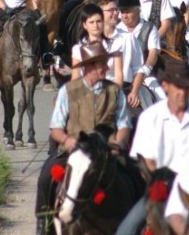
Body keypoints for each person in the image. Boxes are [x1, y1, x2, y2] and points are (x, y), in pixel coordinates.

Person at [35, 40, 131, 234]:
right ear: (88, 67)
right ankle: (43, 223)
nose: (106, 67)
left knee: (137, 176)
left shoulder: (115, 91)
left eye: (106, 63)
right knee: (45, 176)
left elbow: (124, 125)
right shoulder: (68, 91)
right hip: (75, 151)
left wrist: (118, 142)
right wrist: (67, 141)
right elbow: (56, 128)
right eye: (101, 64)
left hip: (106, 151)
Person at [115, 59, 189, 235]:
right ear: (165, 86)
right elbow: (145, 162)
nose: (182, 92)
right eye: (178, 87)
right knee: (125, 230)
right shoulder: (150, 117)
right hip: (163, 189)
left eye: (186, 87)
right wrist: (161, 181)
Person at [113, 0, 165, 109]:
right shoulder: (116, 29)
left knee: (162, 99)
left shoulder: (150, 28)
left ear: (138, 10)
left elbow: (153, 53)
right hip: (122, 76)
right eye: (122, 12)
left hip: (146, 76)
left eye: (128, 12)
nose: (124, 16)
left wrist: (145, 70)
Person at [70, 3, 124, 86]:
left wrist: (115, 94)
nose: (96, 25)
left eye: (99, 21)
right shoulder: (78, 49)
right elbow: (75, 77)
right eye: (91, 22)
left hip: (110, 87)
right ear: (84, 25)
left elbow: (119, 75)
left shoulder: (115, 44)